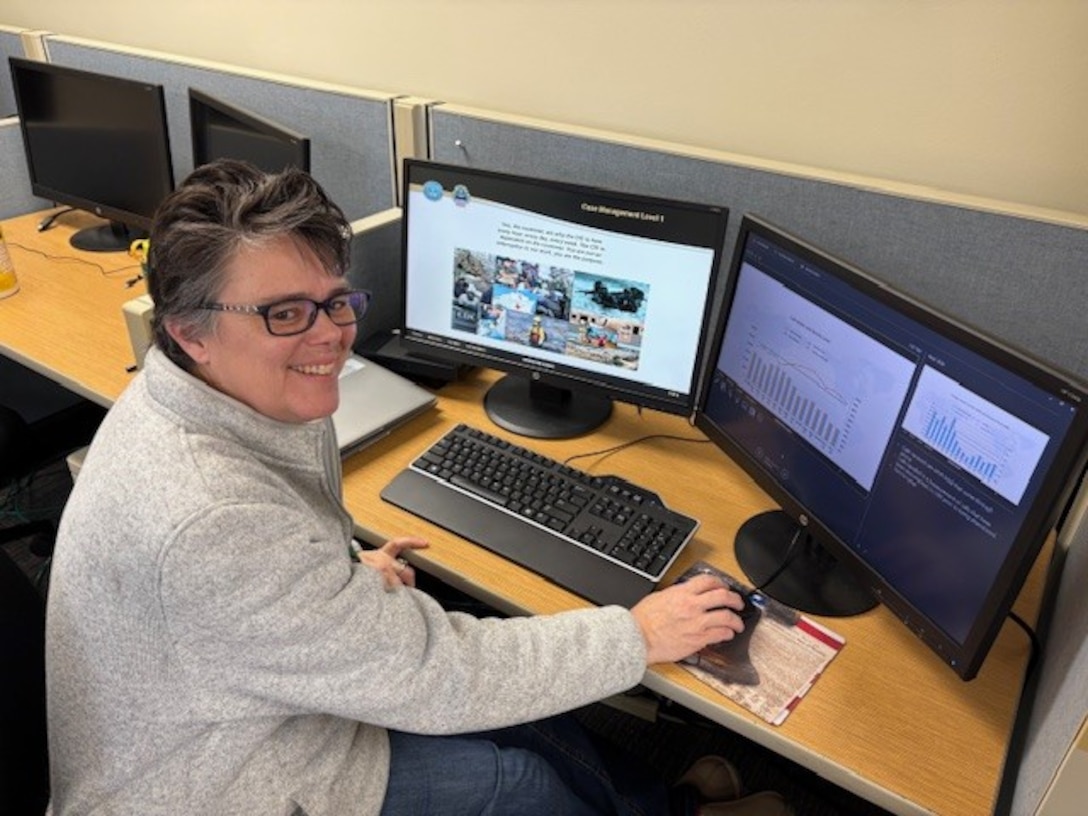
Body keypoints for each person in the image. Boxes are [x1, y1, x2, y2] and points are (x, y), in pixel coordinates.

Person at [45, 159, 791, 816]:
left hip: (227, 698)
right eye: (283, 313)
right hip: (215, 784)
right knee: (518, 780)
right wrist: (641, 634)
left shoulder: (192, 390)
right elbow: (438, 675)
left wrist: (319, 588)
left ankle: (664, 806)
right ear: (188, 331)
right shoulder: (209, 516)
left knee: (532, 712)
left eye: (336, 300)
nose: (331, 335)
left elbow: (228, 602)